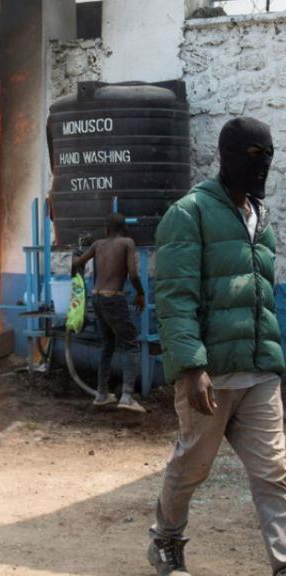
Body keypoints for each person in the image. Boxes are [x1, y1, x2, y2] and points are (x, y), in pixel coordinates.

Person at [148, 117, 286, 576]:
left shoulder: (262, 221)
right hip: (210, 374)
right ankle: (166, 540)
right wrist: (190, 367)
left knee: (274, 474)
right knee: (191, 469)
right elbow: (175, 296)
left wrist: (274, 359)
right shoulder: (188, 213)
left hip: (259, 372)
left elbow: (262, 298)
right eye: (251, 156)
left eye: (267, 156)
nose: (261, 165)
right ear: (225, 157)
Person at [72, 212, 147, 413]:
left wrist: (75, 252)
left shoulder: (98, 244)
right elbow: (133, 273)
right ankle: (127, 396)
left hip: (96, 297)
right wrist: (141, 293)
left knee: (107, 344)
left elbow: (77, 263)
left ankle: (102, 394)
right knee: (131, 344)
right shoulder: (127, 243)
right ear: (124, 229)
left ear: (106, 230)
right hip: (114, 298)